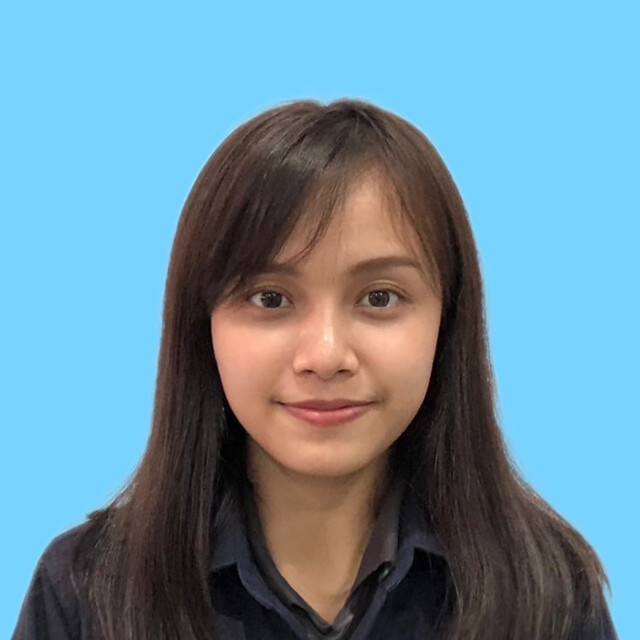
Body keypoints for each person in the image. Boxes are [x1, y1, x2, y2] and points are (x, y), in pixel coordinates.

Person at [12, 98, 617, 640]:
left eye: (379, 297)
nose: (325, 356)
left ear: (447, 320)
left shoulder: (547, 593)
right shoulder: (87, 592)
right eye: (270, 298)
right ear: (202, 325)